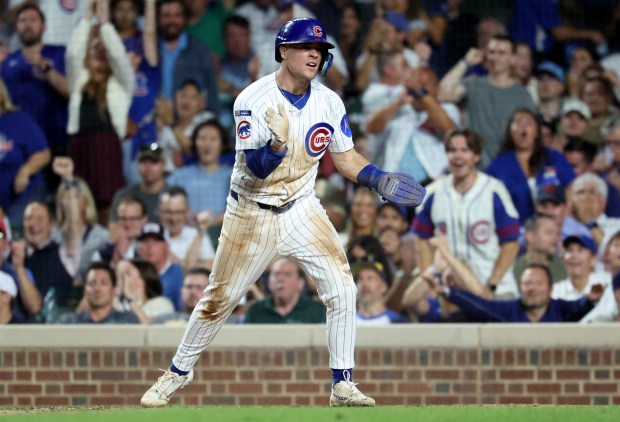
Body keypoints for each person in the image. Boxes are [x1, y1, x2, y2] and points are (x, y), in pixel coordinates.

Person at [140, 17, 425, 408]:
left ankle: (342, 384)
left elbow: (343, 156)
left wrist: (376, 178)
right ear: (283, 51)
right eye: (307, 48)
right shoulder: (252, 99)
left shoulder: (328, 100)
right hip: (251, 212)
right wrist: (275, 144)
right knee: (216, 301)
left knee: (343, 288)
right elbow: (256, 169)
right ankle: (176, 374)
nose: (315, 55)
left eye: (320, 50)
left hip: (301, 207)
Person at [413, 128, 520, 298]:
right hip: (451, 290)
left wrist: (492, 285)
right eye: (452, 150)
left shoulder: (494, 191)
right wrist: (429, 282)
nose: (458, 156)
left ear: (476, 156)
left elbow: (511, 244)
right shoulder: (432, 193)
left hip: (496, 288)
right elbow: (421, 239)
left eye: (465, 150)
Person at [66, 0, 136, 222]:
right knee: (81, 204)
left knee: (108, 205)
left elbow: (120, 58)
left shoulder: (122, 84)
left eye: (103, 49)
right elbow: (72, 55)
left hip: (107, 148)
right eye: (95, 48)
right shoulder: (79, 80)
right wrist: (88, 17)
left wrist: (105, 25)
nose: (100, 52)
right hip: (80, 146)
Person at [439, 35, 535, 167]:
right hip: (474, 167)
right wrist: (466, 62)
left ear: (513, 58)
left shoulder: (522, 95)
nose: (495, 58)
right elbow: (443, 94)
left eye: (501, 53)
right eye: (492, 52)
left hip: (506, 168)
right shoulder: (474, 83)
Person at [0, 3, 69, 158]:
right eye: (23, 21)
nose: (28, 25)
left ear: (44, 26)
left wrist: (44, 66)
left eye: (33, 20)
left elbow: (69, 91)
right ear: (17, 27)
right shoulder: (7, 61)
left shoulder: (60, 53)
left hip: (57, 137)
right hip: (21, 142)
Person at [487, 108, 576, 225]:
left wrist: (563, 222)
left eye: (528, 124)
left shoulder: (554, 158)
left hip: (554, 227)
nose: (523, 129)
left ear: (537, 132)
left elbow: (572, 189)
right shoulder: (498, 165)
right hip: (513, 231)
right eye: (517, 123)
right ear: (510, 131)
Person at [436, 263, 603, 323]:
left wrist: (590, 300)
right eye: (528, 283)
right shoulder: (510, 311)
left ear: (550, 289)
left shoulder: (560, 310)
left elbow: (578, 307)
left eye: (538, 283)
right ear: (520, 288)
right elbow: (480, 305)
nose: (533, 288)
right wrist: (447, 291)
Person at [0, 78, 51, 231]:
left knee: (13, 231)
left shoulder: (19, 120)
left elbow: (44, 153)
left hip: (25, 197)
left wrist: (25, 171)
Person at [156, 0, 220, 116]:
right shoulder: (150, 48)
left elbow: (211, 92)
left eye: (177, 15)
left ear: (185, 18)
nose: (172, 21)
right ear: (158, 18)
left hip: (188, 121)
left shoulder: (199, 50)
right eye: (166, 16)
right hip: (153, 117)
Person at [166, 119, 233, 223]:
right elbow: (165, 206)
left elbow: (241, 210)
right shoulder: (179, 176)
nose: (207, 144)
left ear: (222, 144)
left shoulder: (233, 176)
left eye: (213, 139)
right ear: (194, 143)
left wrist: (212, 222)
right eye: (202, 138)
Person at [552, 235, 616, 323]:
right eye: (569, 251)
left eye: (580, 250)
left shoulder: (609, 282)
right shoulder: (555, 290)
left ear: (593, 260)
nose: (573, 256)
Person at [244, 256, 325, 324]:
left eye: (287, 274)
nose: (280, 279)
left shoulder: (316, 311)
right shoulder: (255, 312)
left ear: (300, 283)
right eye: (276, 274)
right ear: (269, 282)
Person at [56, 262, 139, 324]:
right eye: (92, 283)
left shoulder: (126, 321)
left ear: (113, 290)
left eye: (103, 283)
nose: (97, 289)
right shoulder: (68, 322)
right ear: (85, 289)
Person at [110, 143, 168, 224]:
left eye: (154, 162)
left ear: (164, 165)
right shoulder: (124, 195)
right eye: (144, 162)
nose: (148, 167)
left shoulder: (174, 196)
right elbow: (114, 227)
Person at [135, 222, 183, 309]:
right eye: (145, 241)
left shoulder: (180, 274)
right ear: (138, 248)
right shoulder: (132, 275)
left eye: (156, 241)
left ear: (167, 246)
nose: (149, 247)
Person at [115, 258, 175, 323]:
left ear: (142, 279)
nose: (123, 278)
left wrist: (130, 297)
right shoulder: (121, 305)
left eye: (128, 273)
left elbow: (148, 325)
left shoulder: (161, 303)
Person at [513, 214, 567, 285]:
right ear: (530, 236)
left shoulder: (564, 269)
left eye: (558, 234)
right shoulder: (513, 269)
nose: (556, 239)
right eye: (549, 233)